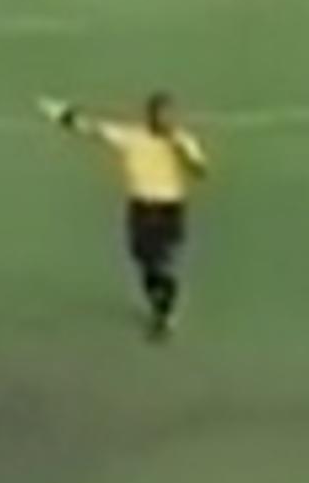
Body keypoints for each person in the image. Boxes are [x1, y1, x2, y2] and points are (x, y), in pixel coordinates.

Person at [40, 91, 211, 341]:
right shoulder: (131, 138)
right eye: (161, 115)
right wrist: (63, 115)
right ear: (151, 116)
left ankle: (165, 309)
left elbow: (200, 170)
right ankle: (162, 302)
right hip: (140, 207)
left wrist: (182, 151)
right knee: (144, 260)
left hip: (169, 207)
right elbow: (92, 129)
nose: (167, 120)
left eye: (170, 115)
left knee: (160, 258)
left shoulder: (183, 141)